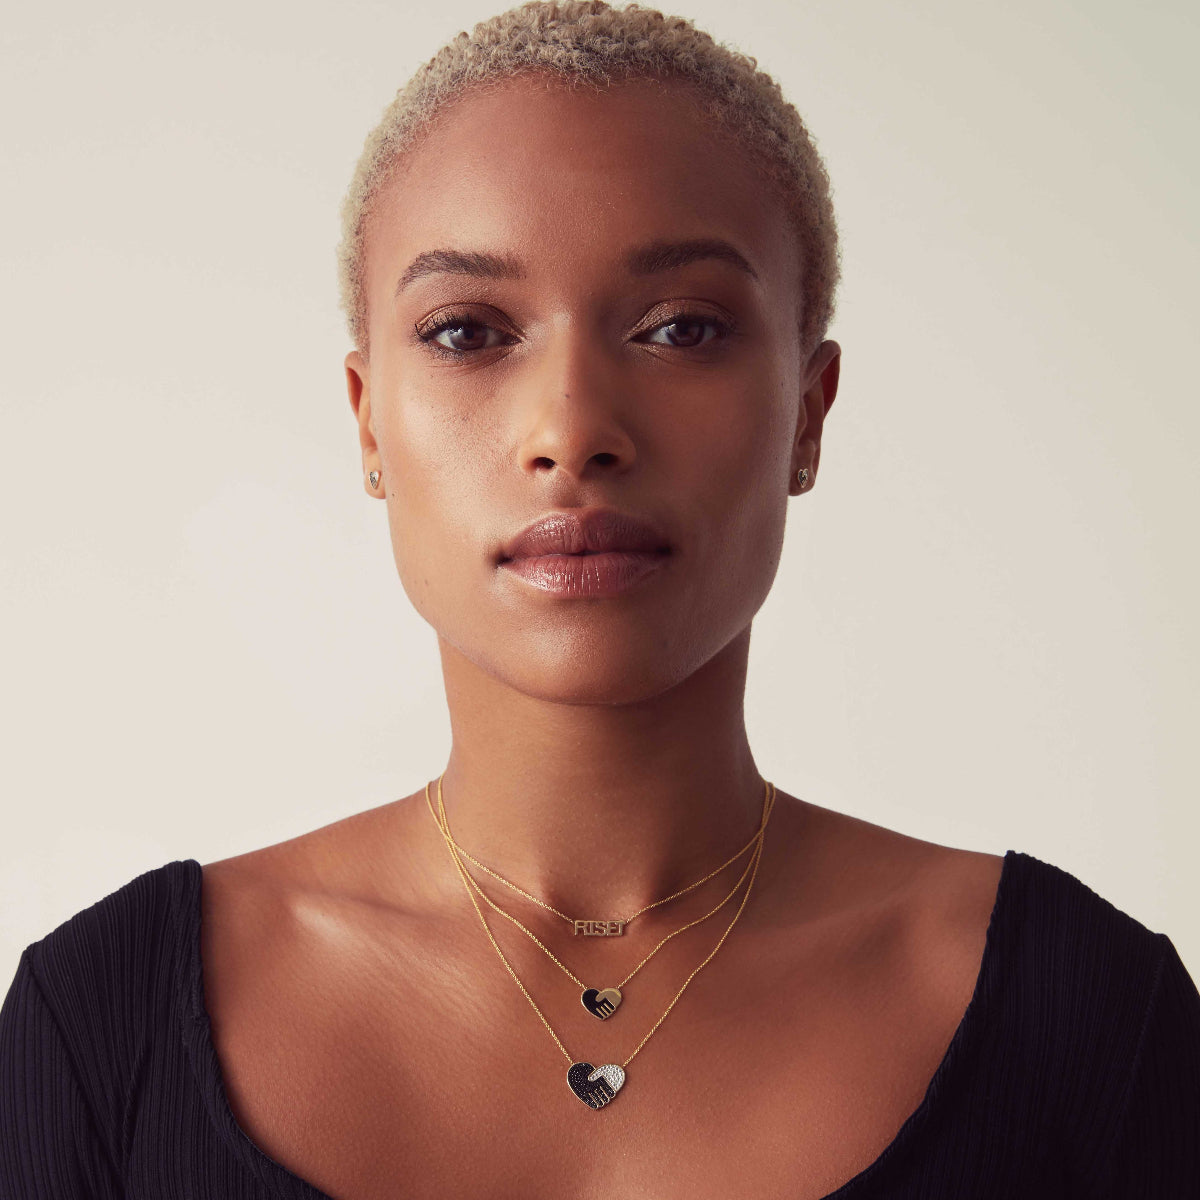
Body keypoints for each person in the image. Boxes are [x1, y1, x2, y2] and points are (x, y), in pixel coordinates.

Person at [2, 1, 1197, 1196]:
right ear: (369, 423)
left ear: (810, 413)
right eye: (469, 331)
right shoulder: (103, 1030)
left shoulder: (1094, 1022)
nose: (573, 431)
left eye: (681, 328)